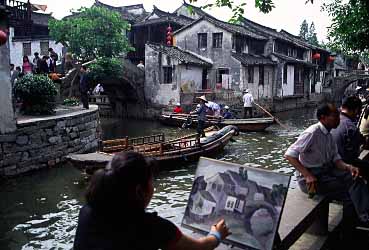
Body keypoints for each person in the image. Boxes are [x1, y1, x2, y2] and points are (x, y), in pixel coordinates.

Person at [74, 151, 231, 250]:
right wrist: (216, 234)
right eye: (151, 181)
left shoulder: (87, 211)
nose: (153, 187)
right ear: (139, 191)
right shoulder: (150, 227)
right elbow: (200, 247)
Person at [284, 103, 363, 246]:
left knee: (356, 179)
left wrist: (348, 167)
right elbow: (289, 155)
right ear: (323, 117)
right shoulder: (312, 132)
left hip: (326, 172)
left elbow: (336, 159)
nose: (338, 118)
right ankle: (347, 235)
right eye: (335, 116)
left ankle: (362, 215)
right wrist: (307, 175)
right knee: (349, 195)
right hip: (311, 179)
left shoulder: (329, 134)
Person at [331, 96, 367, 172]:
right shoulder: (351, 128)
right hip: (342, 166)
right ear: (356, 110)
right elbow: (354, 155)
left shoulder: (330, 121)